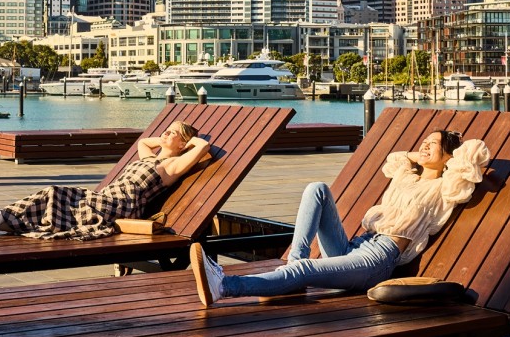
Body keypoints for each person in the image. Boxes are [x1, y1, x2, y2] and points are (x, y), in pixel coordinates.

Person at [190, 129, 491, 307]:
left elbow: (473, 155)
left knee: (306, 270)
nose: (424, 146)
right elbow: (396, 158)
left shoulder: (445, 188)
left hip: (377, 260)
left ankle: (225, 286)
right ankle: (294, 262)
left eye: (432, 144)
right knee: (317, 189)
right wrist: (424, 153)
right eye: (423, 141)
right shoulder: (406, 177)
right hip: (357, 246)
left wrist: (449, 151)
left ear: (450, 156)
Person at [0, 121, 210, 240]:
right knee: (53, 196)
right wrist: (169, 139)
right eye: (167, 129)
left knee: (55, 194)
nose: (165, 133)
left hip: (121, 205)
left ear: (183, 143)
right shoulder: (150, 158)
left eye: (172, 133)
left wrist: (187, 143)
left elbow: (203, 146)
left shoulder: (171, 166)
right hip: (108, 197)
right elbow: (144, 142)